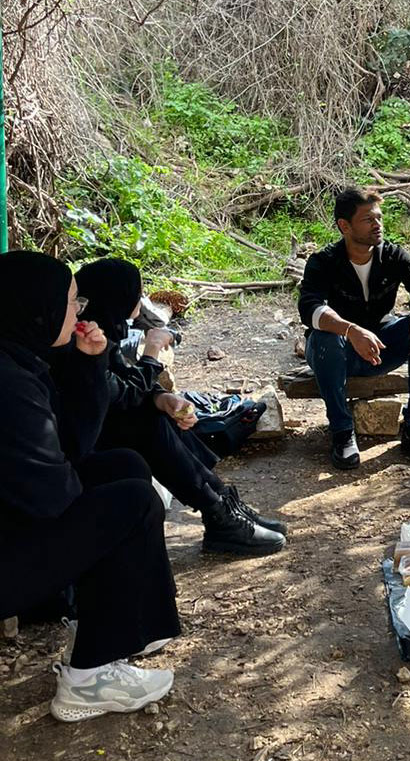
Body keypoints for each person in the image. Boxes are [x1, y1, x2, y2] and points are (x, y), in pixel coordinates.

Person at [0, 251, 179, 722]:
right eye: (73, 302)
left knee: (122, 466)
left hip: (17, 521)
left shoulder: (20, 357)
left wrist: (87, 364)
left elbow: (76, 447)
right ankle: (89, 678)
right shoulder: (9, 385)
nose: (80, 312)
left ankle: (135, 621)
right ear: (37, 308)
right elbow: (53, 495)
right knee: (132, 502)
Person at [71, 258, 286, 557]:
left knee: (156, 413)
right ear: (118, 295)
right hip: (77, 446)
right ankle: (220, 513)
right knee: (145, 422)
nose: (77, 309)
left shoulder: (100, 328)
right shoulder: (78, 341)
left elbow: (120, 383)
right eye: (73, 302)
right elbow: (120, 394)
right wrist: (153, 351)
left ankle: (222, 505)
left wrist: (162, 398)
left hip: (92, 431)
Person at [299, 186, 410, 469]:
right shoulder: (323, 262)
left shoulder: (393, 256)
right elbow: (309, 308)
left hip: (380, 348)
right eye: (368, 219)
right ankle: (341, 431)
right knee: (323, 337)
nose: (377, 225)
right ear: (344, 226)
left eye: (379, 218)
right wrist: (350, 330)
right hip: (337, 353)